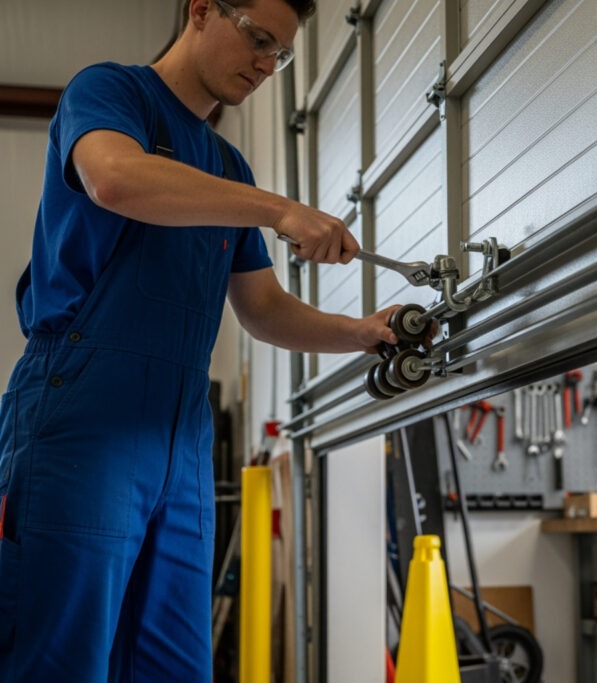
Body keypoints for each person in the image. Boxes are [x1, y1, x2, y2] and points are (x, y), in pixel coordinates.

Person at [0, 0, 400, 680]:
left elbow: (262, 306)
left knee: (175, 665)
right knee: (59, 658)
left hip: (181, 439)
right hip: (84, 420)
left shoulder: (227, 166)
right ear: (201, 11)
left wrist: (364, 334)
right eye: (259, 39)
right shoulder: (109, 92)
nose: (268, 65)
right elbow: (114, 177)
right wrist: (280, 209)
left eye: (281, 53)